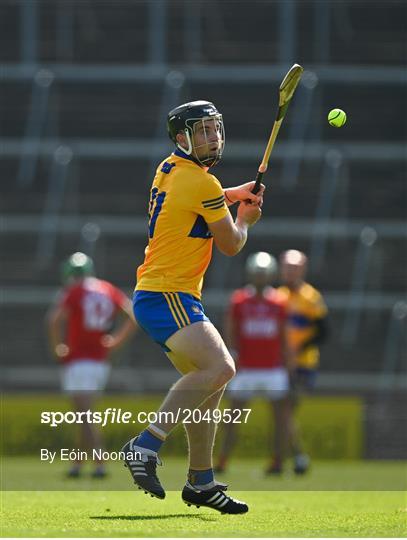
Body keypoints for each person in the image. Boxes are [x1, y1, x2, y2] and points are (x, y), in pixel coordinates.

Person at [121, 100, 264, 514]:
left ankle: (200, 483)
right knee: (222, 368)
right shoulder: (201, 183)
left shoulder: (170, 169)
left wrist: (235, 194)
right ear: (182, 138)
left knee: (209, 388)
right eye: (202, 131)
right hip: (170, 294)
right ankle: (145, 444)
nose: (213, 138)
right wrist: (246, 220)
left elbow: (204, 198)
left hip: (158, 294)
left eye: (216, 129)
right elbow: (232, 244)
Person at [47, 252, 137, 478]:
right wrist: (116, 341)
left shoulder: (74, 291)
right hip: (100, 360)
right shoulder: (107, 288)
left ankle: (100, 462)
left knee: (84, 415)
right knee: (83, 413)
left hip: (79, 359)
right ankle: (77, 464)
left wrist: (57, 346)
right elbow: (132, 314)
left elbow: (54, 320)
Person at [215, 251, 293, 475]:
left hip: (273, 369)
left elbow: (284, 335)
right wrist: (232, 354)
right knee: (233, 417)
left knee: (280, 418)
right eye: (257, 273)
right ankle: (222, 459)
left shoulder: (279, 301)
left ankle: (278, 461)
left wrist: (289, 366)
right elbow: (230, 329)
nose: (260, 278)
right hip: (246, 369)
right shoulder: (239, 299)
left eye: (264, 273)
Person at [278, 249, 329, 474]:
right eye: (287, 267)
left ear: (302, 269)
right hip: (279, 363)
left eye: (295, 268)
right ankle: (288, 458)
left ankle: (295, 456)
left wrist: (298, 347)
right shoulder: (277, 296)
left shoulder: (311, 297)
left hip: (302, 363)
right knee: (283, 411)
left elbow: (324, 332)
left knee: (285, 409)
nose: (290, 271)